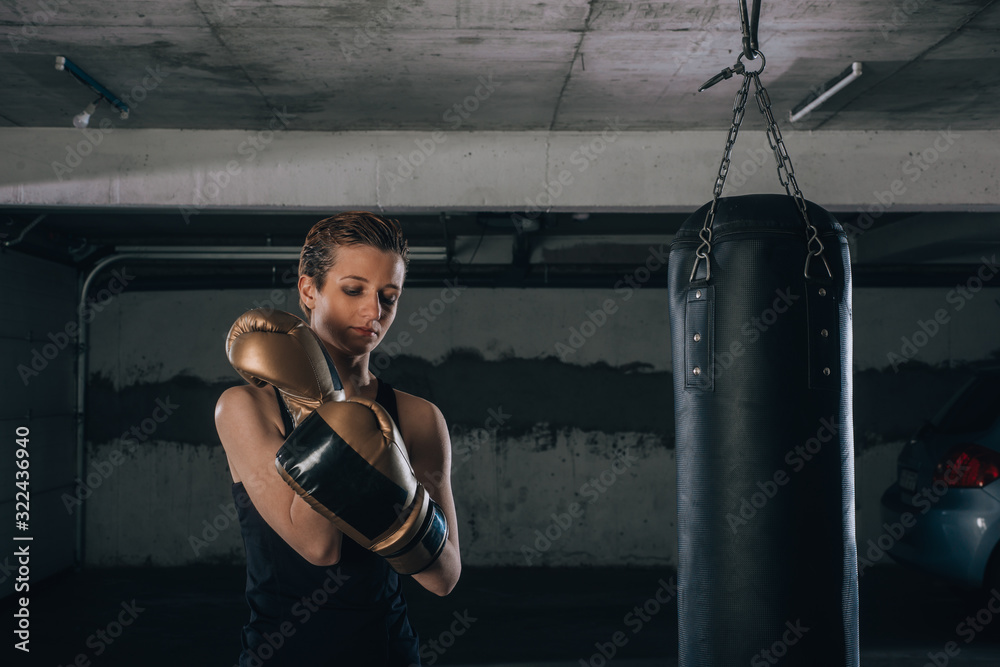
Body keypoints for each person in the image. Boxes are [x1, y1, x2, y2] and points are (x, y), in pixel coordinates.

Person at [214, 211, 462, 666]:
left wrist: (405, 506)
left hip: (387, 651)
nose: (374, 311)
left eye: (390, 296)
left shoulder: (419, 417)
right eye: (353, 290)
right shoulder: (245, 408)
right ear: (309, 289)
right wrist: (327, 407)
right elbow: (319, 548)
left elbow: (443, 576)